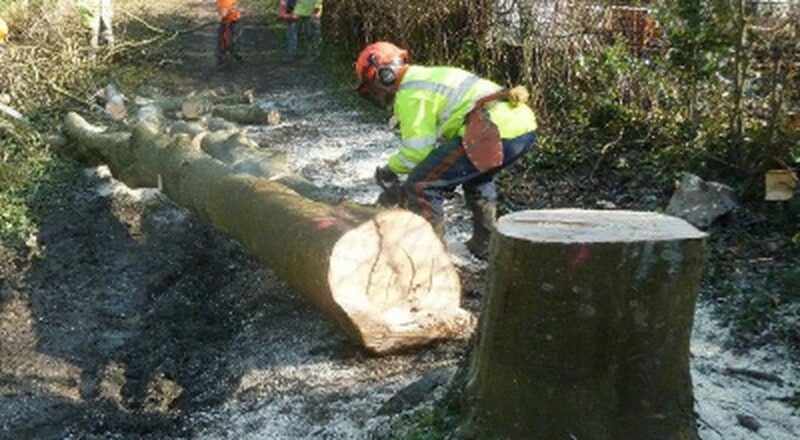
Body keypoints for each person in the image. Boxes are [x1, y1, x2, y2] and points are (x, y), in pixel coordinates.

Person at [355, 42, 538, 258]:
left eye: (372, 86)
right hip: (523, 127)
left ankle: (430, 258)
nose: (376, 93)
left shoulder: (411, 94)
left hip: (492, 131)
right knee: (477, 178)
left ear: (384, 74)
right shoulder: (425, 76)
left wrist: (390, 169)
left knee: (422, 185)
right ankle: (486, 246)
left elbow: (417, 152)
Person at [216, 0, 242, 66]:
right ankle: (222, 58)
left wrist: (221, 16)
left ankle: (234, 53)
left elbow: (224, 12)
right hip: (224, 22)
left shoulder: (227, 2)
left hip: (233, 22)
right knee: (221, 40)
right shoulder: (220, 1)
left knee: (232, 41)